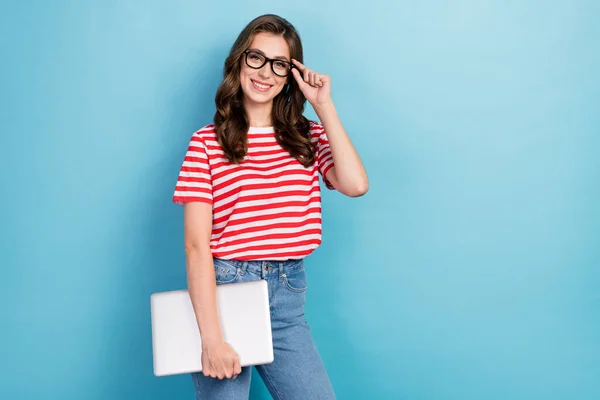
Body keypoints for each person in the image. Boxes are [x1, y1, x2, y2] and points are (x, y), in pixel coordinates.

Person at [172, 13, 368, 400]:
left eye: (279, 64)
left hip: (287, 294)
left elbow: (356, 184)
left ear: (290, 74)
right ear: (239, 61)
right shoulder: (207, 143)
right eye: (256, 58)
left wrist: (323, 106)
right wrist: (211, 340)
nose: (265, 72)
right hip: (224, 292)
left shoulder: (306, 135)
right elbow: (196, 246)